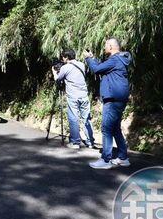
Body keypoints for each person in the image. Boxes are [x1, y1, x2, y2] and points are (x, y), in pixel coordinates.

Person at [84, 38, 132, 169]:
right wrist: (93, 59)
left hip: (112, 98)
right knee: (115, 128)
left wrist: (88, 58)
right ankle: (123, 158)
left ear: (111, 47)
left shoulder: (114, 59)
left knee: (106, 128)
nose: (104, 48)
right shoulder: (119, 60)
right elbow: (101, 68)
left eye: (105, 45)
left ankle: (106, 160)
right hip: (119, 98)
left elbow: (96, 69)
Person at [52, 48, 95, 149]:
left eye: (63, 57)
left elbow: (58, 80)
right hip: (84, 95)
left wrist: (54, 72)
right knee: (86, 118)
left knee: (73, 118)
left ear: (66, 57)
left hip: (73, 96)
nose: (62, 60)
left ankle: (75, 142)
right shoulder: (82, 65)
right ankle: (90, 142)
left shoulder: (65, 68)